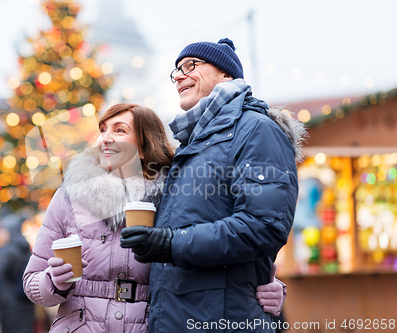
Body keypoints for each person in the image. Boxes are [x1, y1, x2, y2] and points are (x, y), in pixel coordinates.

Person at [23, 103, 285, 333]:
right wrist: (53, 282)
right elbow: (31, 283)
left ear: (144, 148)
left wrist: (271, 286)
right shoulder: (69, 197)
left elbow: (212, 248)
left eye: (119, 130)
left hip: (154, 324)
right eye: (103, 129)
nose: (105, 138)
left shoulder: (178, 199)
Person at [121, 38, 305, 332]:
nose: (179, 76)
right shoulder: (192, 144)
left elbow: (263, 226)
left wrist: (171, 242)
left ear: (226, 75)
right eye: (176, 71)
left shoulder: (256, 130)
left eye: (190, 66)